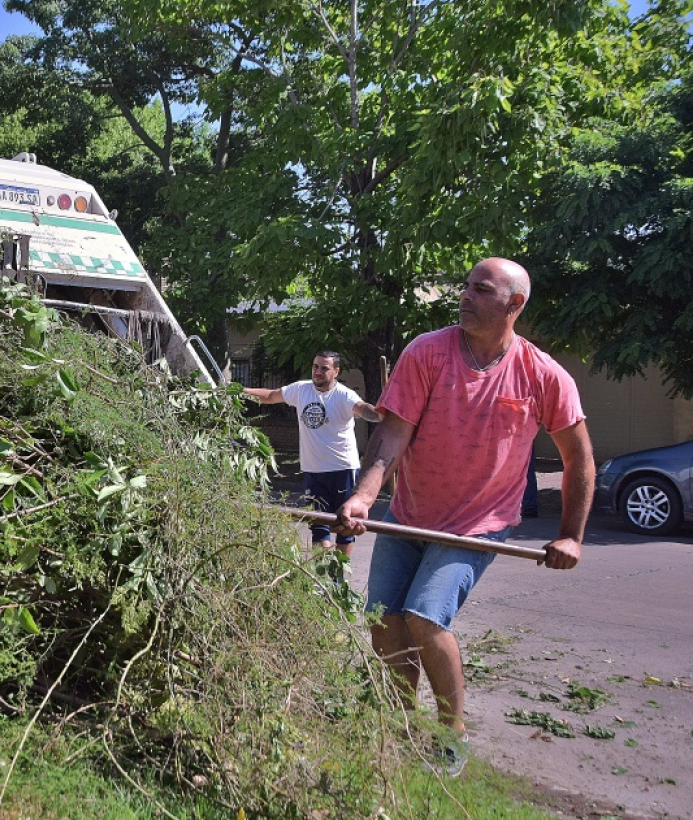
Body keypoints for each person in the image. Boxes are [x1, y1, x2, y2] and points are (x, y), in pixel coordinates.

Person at [334, 258, 594, 777]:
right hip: (410, 514)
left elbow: (578, 460)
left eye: (481, 289)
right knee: (383, 620)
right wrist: (364, 496)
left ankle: (451, 734)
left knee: (426, 617)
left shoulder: (543, 374)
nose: (465, 295)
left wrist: (571, 536)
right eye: (466, 286)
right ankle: (403, 728)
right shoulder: (427, 352)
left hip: (479, 523)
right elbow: (392, 435)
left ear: (513, 304)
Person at [244, 351, 382, 555]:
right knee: (318, 527)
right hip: (313, 471)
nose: (317, 372)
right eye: (315, 367)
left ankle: (338, 578)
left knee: (345, 526)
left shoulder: (344, 395)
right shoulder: (300, 390)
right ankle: (325, 580)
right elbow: (270, 396)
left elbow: (363, 409)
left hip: (342, 469)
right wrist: (240, 390)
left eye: (324, 368)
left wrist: (380, 414)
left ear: (336, 371)